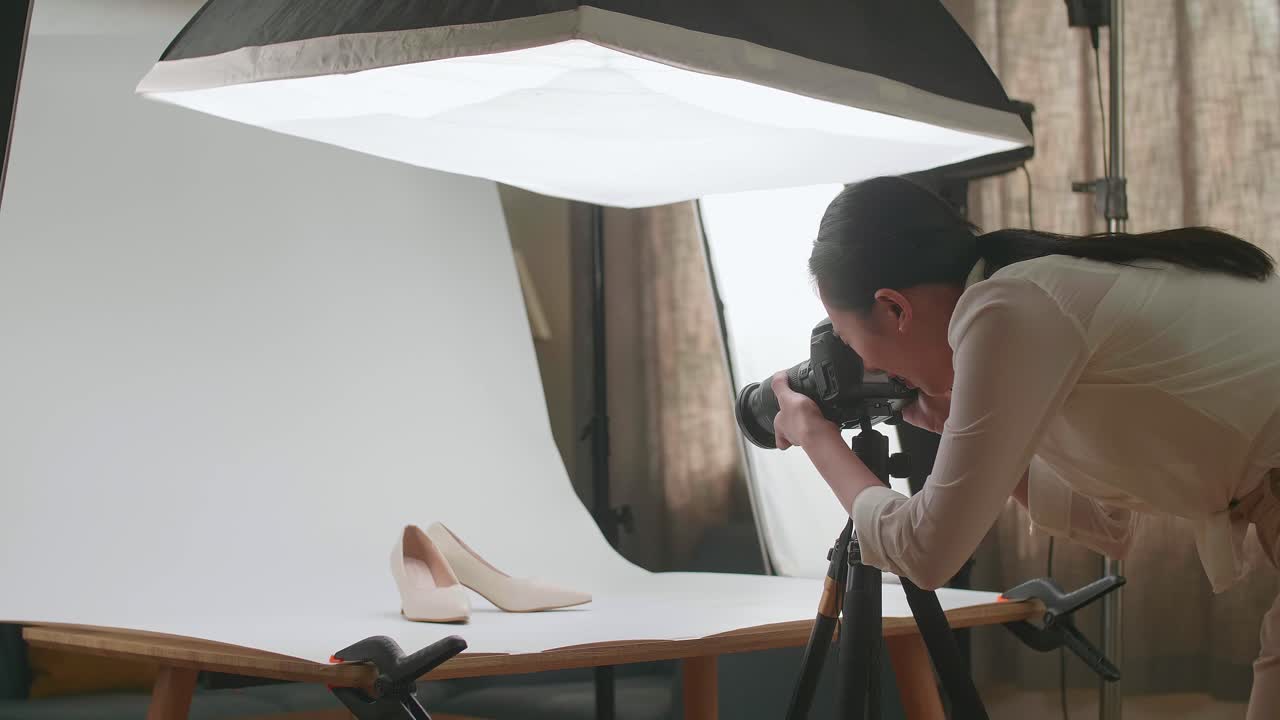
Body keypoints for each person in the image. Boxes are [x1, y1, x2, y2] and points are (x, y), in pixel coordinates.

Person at [768, 175, 1280, 718]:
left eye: (851, 343)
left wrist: (815, 436)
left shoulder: (1005, 309)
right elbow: (1109, 521)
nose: (868, 369)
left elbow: (927, 553)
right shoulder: (1029, 292)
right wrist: (973, 442)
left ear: (894, 309)